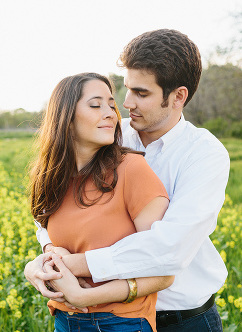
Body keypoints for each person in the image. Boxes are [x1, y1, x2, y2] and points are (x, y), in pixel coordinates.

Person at [24, 29, 230, 332]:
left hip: (182, 318)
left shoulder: (204, 154)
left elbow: (168, 250)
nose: (126, 103)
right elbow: (54, 207)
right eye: (127, 89)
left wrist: (74, 266)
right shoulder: (106, 134)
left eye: (142, 94)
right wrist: (47, 254)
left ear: (178, 97)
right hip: (105, 316)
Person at [29, 72, 174, 331]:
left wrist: (85, 296)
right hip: (64, 320)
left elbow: (163, 268)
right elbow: (46, 234)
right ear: (66, 118)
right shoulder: (50, 177)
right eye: (96, 105)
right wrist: (47, 255)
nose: (110, 113)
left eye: (111, 105)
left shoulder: (131, 169)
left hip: (122, 322)